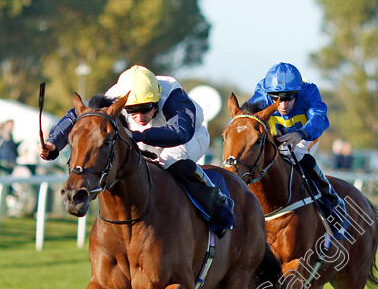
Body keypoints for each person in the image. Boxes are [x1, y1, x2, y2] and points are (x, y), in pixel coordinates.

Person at [40, 65, 234, 236]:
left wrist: (139, 137)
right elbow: (77, 115)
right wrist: (53, 143)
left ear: (156, 99)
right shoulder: (114, 95)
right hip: (143, 138)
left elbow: (180, 132)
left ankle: (218, 202)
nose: (139, 117)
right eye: (132, 110)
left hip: (189, 137)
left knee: (168, 162)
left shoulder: (172, 94)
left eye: (146, 108)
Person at [243, 62, 347, 237]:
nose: (282, 105)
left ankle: (331, 200)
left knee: (296, 154)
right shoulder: (262, 93)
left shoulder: (309, 91)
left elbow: (320, 118)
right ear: (269, 94)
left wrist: (301, 134)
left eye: (288, 98)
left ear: (297, 93)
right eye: (277, 99)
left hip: (305, 136)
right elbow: (243, 117)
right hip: (276, 136)